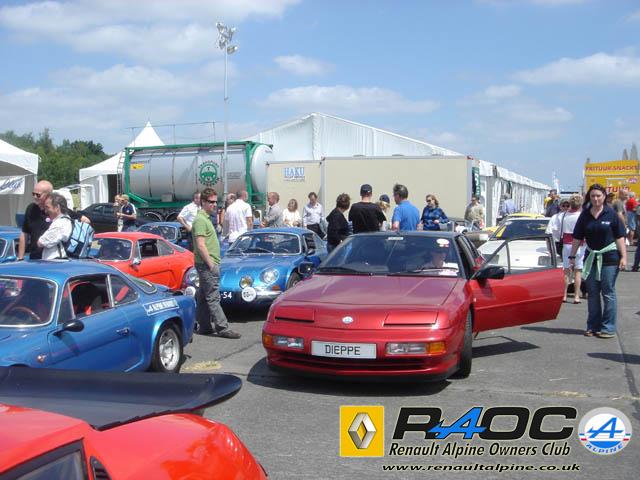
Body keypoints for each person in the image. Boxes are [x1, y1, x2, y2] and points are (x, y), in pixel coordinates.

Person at [569, 183, 626, 338]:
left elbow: (620, 236)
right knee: (592, 293)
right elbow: (577, 237)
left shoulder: (611, 214)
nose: (595, 199)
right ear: (589, 197)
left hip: (610, 258)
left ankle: (608, 327)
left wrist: (624, 257)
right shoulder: (585, 215)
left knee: (608, 292)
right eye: (593, 196)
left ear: (604, 197)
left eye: (598, 196)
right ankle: (593, 326)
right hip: (591, 257)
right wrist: (572, 256)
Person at [192, 188, 241, 339]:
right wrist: (211, 265)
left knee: (203, 296)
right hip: (207, 264)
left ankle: (204, 326)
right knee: (213, 297)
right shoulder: (200, 220)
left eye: (215, 202)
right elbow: (200, 245)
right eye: (211, 202)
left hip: (207, 264)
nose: (214, 205)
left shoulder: (206, 218)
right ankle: (223, 327)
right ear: (203, 202)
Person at [18, 180, 89, 260]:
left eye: (38, 195)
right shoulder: (31, 209)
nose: (35, 197)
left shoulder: (59, 212)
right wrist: (20, 258)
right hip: (34, 257)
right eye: (33, 194)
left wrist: (74, 238)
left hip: (53, 259)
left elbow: (85, 220)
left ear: (48, 195)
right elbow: (24, 233)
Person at [558, 195, 586, 303]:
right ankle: (576, 296)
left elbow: (559, 231)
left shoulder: (564, 215)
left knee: (566, 270)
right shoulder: (582, 215)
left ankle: (564, 295)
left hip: (567, 243)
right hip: (580, 244)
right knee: (577, 271)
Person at [37, 192, 73, 260]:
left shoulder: (59, 224)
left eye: (47, 207)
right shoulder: (66, 220)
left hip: (55, 262)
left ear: (57, 207)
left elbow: (41, 242)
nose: (45, 211)